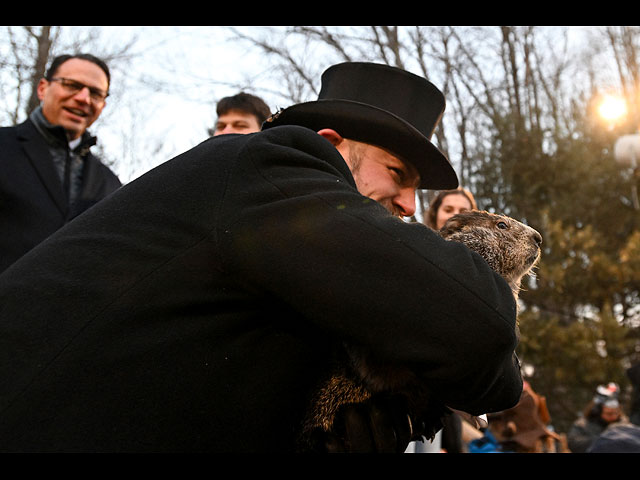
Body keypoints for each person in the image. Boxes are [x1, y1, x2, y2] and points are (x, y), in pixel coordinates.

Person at [0, 62, 523, 453]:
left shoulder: (285, 248)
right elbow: (480, 330)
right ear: (331, 144)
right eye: (397, 173)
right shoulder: (262, 165)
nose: (410, 206)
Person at [0, 53, 121, 273]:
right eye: (72, 85)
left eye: (95, 93)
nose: (84, 98)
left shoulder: (111, 185)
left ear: (102, 105)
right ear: (43, 89)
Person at [567, 383, 628, 453]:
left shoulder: (625, 425)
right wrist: (602, 441)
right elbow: (573, 443)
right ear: (598, 412)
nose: (613, 416)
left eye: (616, 413)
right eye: (609, 414)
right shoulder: (582, 425)